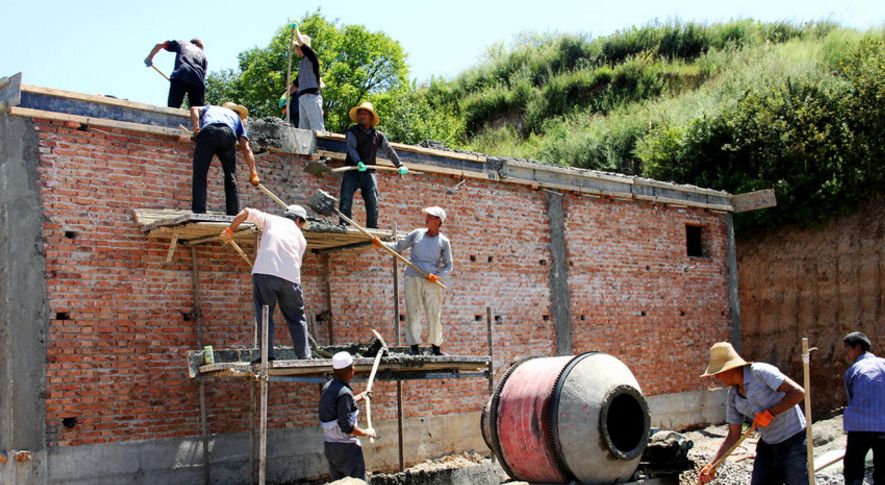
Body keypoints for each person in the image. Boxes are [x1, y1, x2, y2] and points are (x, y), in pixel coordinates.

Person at [698, 342, 808, 485]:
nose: (717, 378)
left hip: (793, 439)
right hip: (768, 445)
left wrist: (770, 413)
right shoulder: (733, 395)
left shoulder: (761, 373)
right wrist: (712, 465)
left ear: (729, 369)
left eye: (718, 373)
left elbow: (798, 393)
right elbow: (733, 436)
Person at [221, 205, 311, 361]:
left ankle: (267, 355)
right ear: (298, 220)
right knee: (297, 318)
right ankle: (305, 356)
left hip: (264, 274)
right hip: (291, 278)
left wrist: (230, 230)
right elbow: (297, 262)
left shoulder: (271, 219)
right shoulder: (301, 239)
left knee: (265, 315)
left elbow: (246, 212)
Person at [374, 207, 452, 356]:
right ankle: (414, 347)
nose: (427, 218)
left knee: (434, 313)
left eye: (430, 216)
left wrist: (438, 275)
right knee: (413, 311)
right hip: (413, 276)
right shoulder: (417, 234)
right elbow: (398, 247)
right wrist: (381, 244)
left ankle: (436, 347)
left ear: (438, 221)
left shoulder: (444, 242)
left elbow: (449, 265)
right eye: (427, 215)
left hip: (432, 279)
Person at [341, 101, 408, 228]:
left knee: (373, 201)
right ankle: (344, 225)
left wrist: (399, 165)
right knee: (345, 200)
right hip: (352, 170)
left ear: (370, 117)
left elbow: (388, 150)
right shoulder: (352, 131)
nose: (362, 116)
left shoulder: (378, 135)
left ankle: (372, 227)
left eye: (365, 114)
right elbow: (351, 148)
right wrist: (358, 162)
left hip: (369, 173)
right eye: (360, 113)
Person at [189, 102, 259, 216]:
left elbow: (194, 108)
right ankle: (234, 213)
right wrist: (253, 173)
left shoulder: (210, 108)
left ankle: (199, 212)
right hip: (228, 135)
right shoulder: (237, 119)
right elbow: (246, 148)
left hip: (208, 132)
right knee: (230, 176)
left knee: (200, 174)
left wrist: (196, 129)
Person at [319, 351, 376, 481]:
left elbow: (338, 408)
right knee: (357, 482)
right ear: (351, 370)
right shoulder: (344, 393)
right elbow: (347, 427)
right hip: (347, 449)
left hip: (331, 448)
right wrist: (366, 432)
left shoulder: (328, 387)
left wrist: (360, 397)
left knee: (339, 483)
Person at [842, 331, 885, 485]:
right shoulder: (883, 364)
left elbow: (851, 399)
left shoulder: (853, 370)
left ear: (858, 348)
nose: (846, 353)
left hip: (860, 426)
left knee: (853, 470)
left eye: (847, 349)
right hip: (883, 426)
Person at [144, 38, 207, 108]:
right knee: (199, 111)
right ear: (198, 45)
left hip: (180, 75)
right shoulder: (203, 55)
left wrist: (150, 57)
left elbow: (159, 45)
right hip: (197, 80)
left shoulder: (182, 43)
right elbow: (203, 76)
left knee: (173, 108)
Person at [292, 30, 325, 131]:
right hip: (302, 98)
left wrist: (295, 29)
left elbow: (302, 43)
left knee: (316, 126)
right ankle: (305, 147)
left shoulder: (311, 56)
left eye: (295, 46)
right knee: (303, 130)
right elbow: (296, 84)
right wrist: (285, 95)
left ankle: (322, 145)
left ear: (300, 47)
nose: (294, 49)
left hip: (311, 96)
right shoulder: (301, 63)